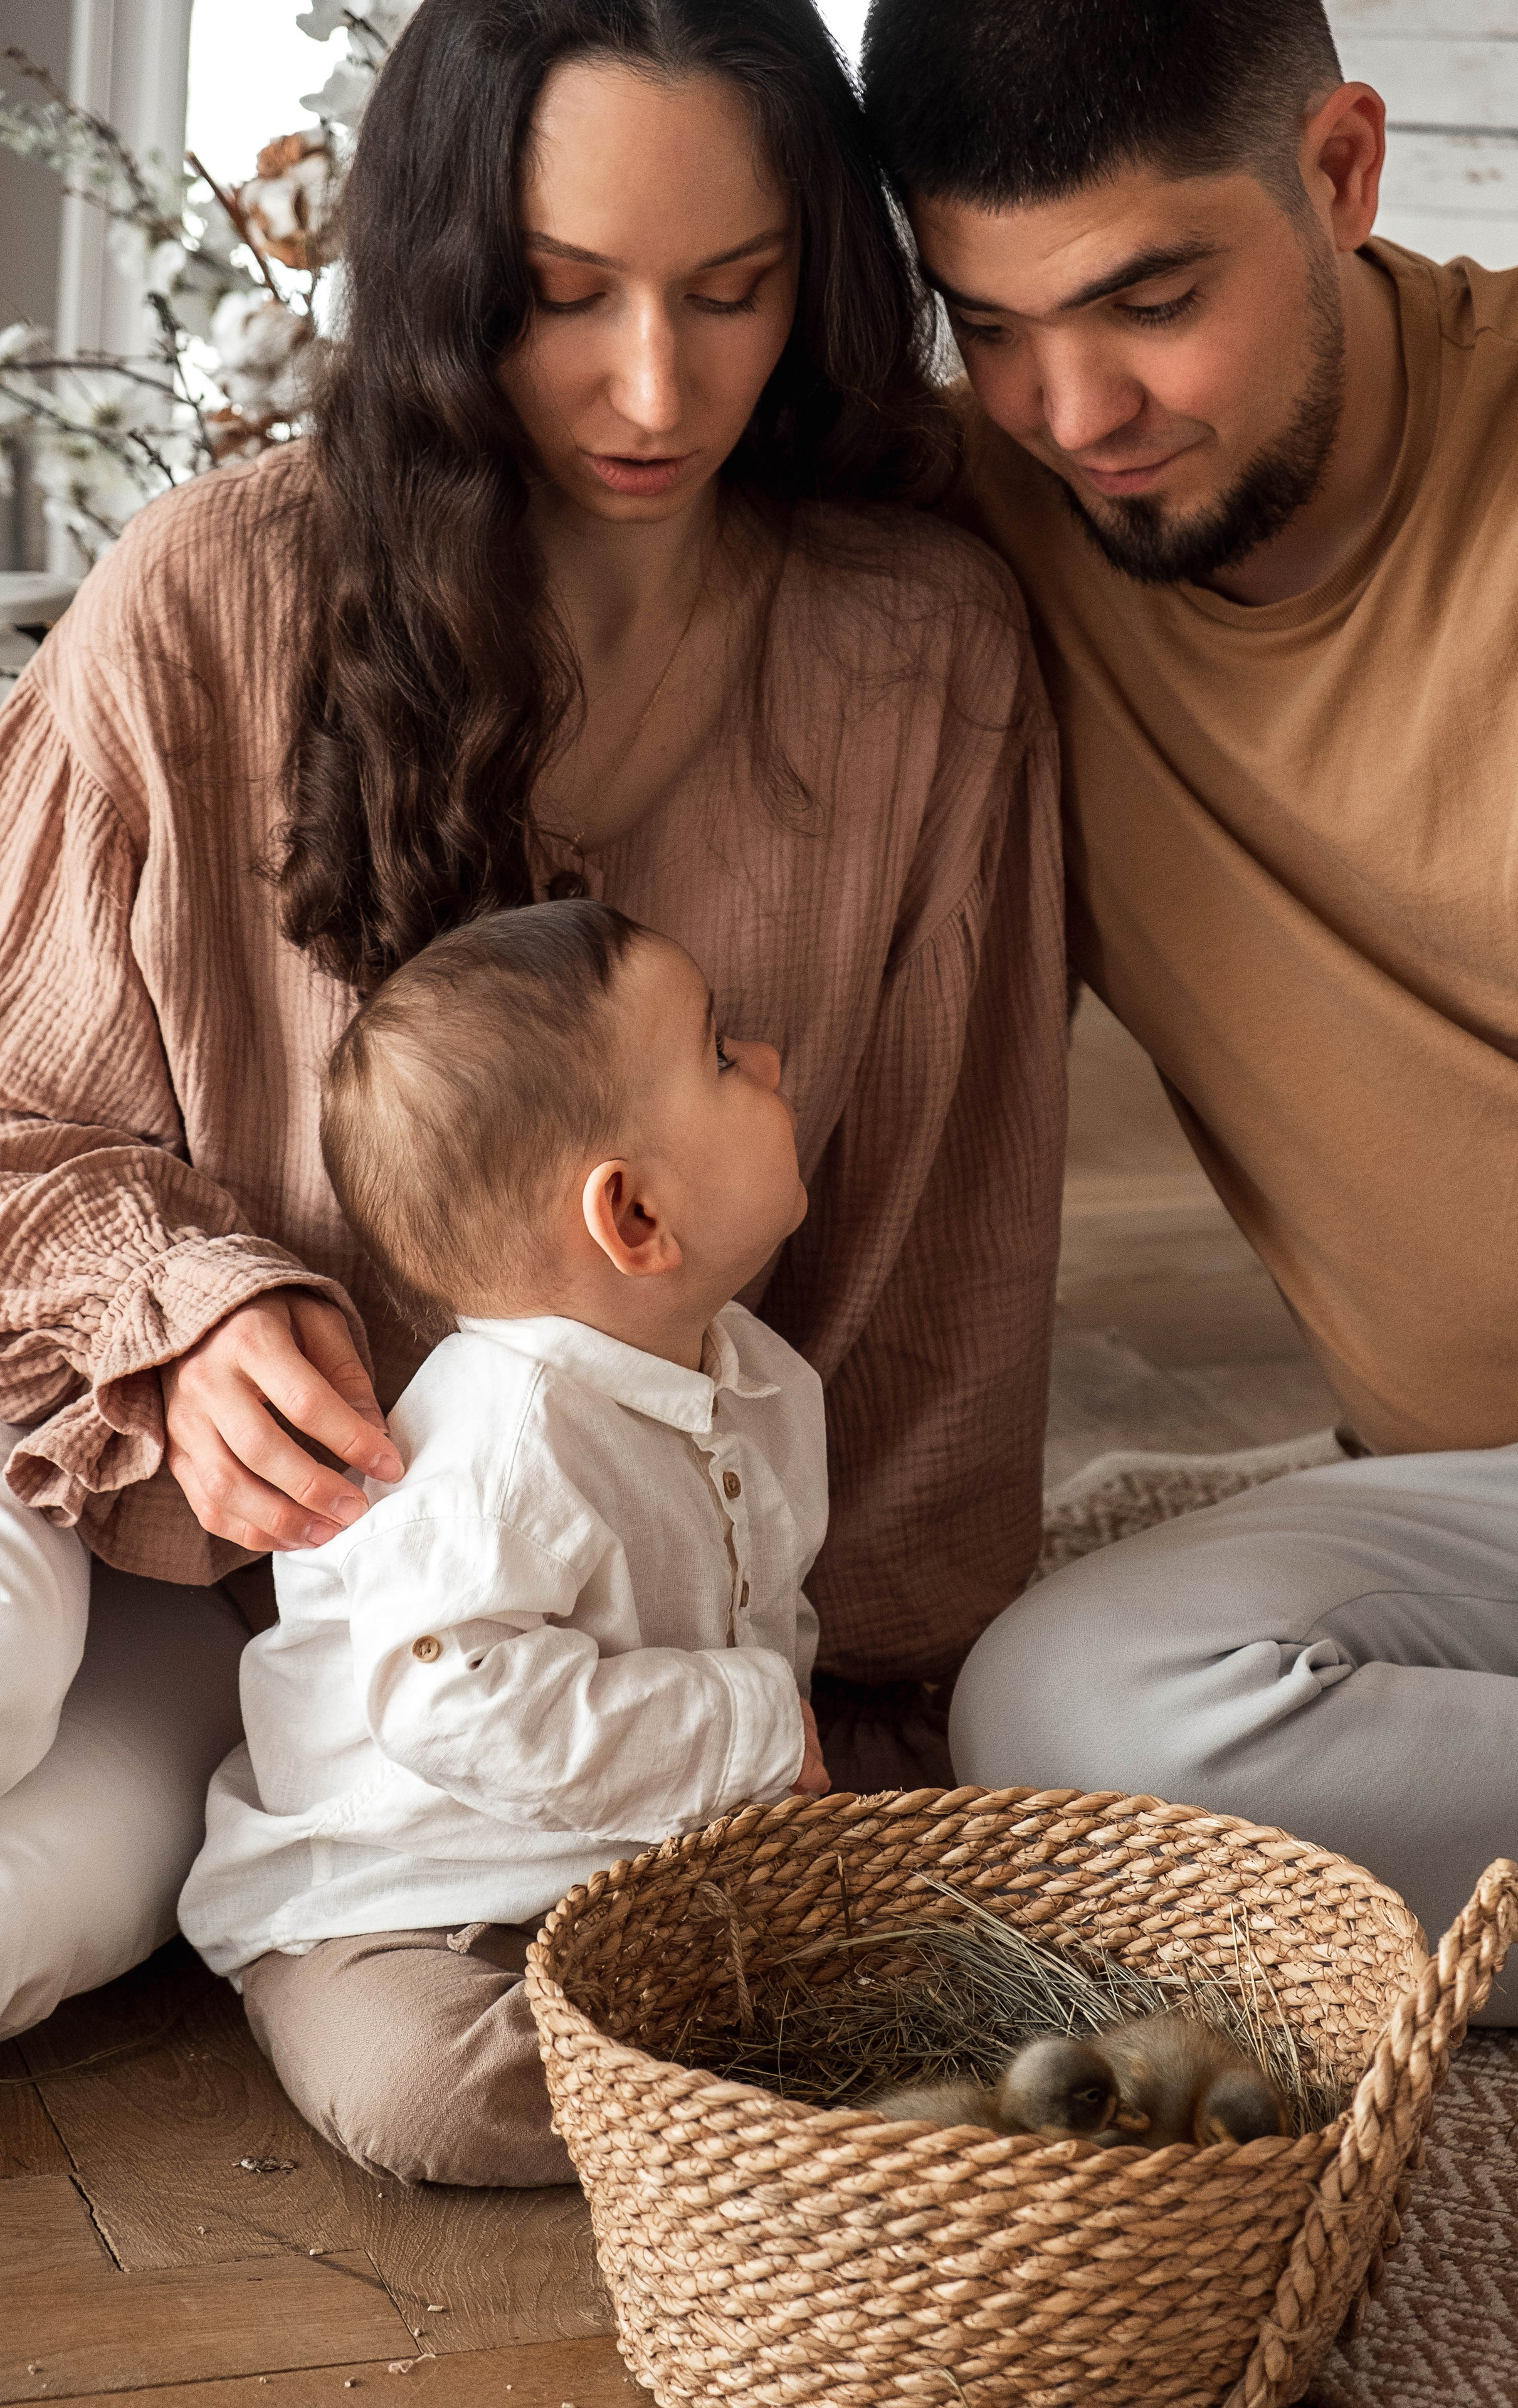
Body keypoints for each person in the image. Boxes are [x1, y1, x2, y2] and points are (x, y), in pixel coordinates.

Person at [0, 0, 1067, 2041]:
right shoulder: (213, 595)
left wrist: (827, 1727)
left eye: (732, 294)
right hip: (155, 1535)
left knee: (72, 1908)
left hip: (537, 1672)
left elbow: (947, 1259)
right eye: (561, 297)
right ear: (437, 276)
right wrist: (187, 1303)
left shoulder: (920, 654)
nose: (655, 387)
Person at [860, 0, 1518, 2024]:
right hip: (1508, 1523)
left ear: (1346, 172)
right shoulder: (978, 531)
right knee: (1070, 1707)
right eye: (988, 324)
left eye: (1149, 298)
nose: (1071, 405)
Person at [181, 900, 831, 2184]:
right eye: (720, 1057)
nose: (767, 1063)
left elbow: (760, 1600)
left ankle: (694, 2058)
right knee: (434, 2094)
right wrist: (754, 1728)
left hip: (629, 1850)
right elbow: (456, 1701)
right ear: (632, 1216)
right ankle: (699, 2093)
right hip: (404, 1892)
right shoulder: (502, 1441)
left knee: (877, 1932)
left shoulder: (761, 1379)